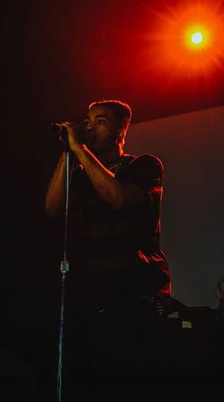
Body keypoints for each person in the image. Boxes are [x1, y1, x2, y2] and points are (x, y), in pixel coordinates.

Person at [45, 99, 171, 399]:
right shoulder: (80, 172)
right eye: (87, 121)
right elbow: (52, 209)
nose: (89, 126)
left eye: (100, 121)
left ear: (120, 131)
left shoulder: (143, 165)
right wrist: (68, 152)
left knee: (133, 386)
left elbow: (119, 199)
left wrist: (81, 151)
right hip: (95, 296)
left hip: (137, 296)